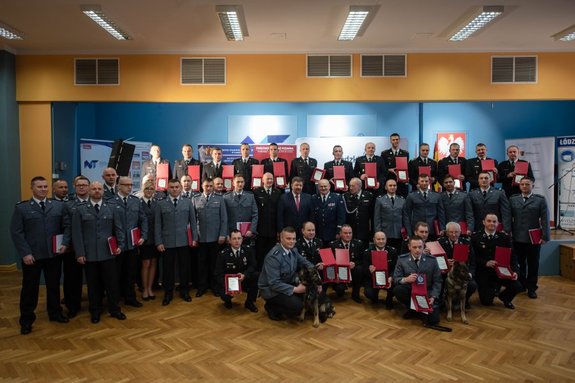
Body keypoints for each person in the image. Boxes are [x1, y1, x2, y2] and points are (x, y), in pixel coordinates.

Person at [11, 176, 69, 335]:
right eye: (39, 187)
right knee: (30, 288)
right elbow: (17, 233)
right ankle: (26, 320)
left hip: (53, 255)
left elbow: (66, 227)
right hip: (32, 256)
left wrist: (64, 243)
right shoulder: (22, 208)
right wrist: (25, 253)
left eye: (45, 186)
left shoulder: (57, 206)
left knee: (54, 286)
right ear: (32, 188)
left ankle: (55, 313)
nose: (43, 189)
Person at [72, 181, 126, 324]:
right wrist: (80, 253)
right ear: (89, 191)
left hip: (108, 253)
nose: (96, 191)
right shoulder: (80, 209)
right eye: (93, 189)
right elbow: (77, 234)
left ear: (103, 191)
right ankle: (95, 311)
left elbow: (118, 228)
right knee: (93, 285)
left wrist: (121, 244)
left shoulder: (112, 207)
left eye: (99, 189)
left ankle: (115, 309)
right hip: (90, 254)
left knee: (112, 283)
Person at [258, 227, 318, 321]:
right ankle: (271, 307)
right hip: (271, 290)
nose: (292, 242)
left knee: (307, 296)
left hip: (287, 283)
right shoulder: (274, 257)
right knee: (297, 307)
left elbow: (306, 263)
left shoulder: (293, 250)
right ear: (281, 239)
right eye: (288, 239)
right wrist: (295, 289)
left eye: (294, 239)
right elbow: (274, 283)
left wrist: (316, 276)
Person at [155, 179, 198, 305]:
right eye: (172, 187)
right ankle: (168, 293)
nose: (174, 189)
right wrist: (158, 242)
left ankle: (184, 291)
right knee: (168, 269)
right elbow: (158, 224)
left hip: (184, 241)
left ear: (180, 188)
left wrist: (194, 238)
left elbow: (193, 222)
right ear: (168, 188)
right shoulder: (161, 204)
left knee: (184, 268)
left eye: (176, 187)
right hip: (167, 242)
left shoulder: (187, 202)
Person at [393, 236, 449, 331]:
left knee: (433, 320)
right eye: (414, 247)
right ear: (409, 247)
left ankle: (418, 309)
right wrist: (405, 279)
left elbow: (438, 281)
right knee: (398, 290)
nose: (417, 250)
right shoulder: (402, 259)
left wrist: (433, 296)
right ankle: (413, 308)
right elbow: (396, 279)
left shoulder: (432, 260)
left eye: (420, 247)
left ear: (423, 246)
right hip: (411, 291)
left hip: (427, 292)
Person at [509, 177, 550, 299]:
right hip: (517, 237)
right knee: (519, 263)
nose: (525, 186)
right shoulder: (513, 199)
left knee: (533, 264)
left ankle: (532, 288)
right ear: (519, 186)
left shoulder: (540, 200)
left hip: (534, 238)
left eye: (527, 184)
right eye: (522, 184)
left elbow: (545, 219)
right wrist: (508, 232)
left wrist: (545, 236)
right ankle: (522, 285)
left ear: (533, 185)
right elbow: (508, 218)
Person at [471, 213, 522, 309]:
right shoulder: (475, 237)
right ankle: (492, 291)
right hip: (484, 272)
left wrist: (515, 272)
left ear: (498, 223)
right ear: (483, 222)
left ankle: (505, 298)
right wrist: (485, 263)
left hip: (502, 272)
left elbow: (513, 257)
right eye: (489, 221)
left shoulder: (505, 238)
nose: (492, 223)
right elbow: (472, 258)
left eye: (494, 221)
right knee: (486, 302)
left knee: (517, 286)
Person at [112, 176, 148, 308]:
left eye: (131, 184)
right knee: (116, 274)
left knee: (131, 272)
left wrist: (143, 236)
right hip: (117, 246)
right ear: (119, 186)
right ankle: (115, 299)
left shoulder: (135, 201)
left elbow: (143, 219)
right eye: (126, 184)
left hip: (132, 244)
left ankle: (130, 297)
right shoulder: (111, 202)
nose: (129, 187)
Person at [193, 178, 228, 297]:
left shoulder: (220, 199)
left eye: (210, 186)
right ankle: (201, 287)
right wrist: (194, 237)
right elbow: (193, 221)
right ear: (202, 186)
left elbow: (224, 219)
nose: (208, 188)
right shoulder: (196, 199)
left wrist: (223, 234)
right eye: (206, 186)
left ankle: (215, 287)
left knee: (215, 264)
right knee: (201, 264)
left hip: (215, 238)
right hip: (201, 237)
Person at [61, 176, 90, 318]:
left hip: (93, 247)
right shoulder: (68, 205)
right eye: (79, 185)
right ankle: (73, 305)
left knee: (95, 278)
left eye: (85, 185)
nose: (82, 187)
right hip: (73, 248)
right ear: (75, 187)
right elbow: (67, 227)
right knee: (73, 278)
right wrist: (65, 244)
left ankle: (95, 304)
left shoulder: (96, 202)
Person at [214, 230, 259, 312]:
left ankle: (249, 302)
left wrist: (245, 274)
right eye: (234, 238)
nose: (237, 241)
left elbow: (253, 265)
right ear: (230, 240)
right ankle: (227, 301)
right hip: (229, 283)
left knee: (256, 275)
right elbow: (218, 274)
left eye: (239, 238)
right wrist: (228, 287)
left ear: (242, 239)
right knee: (223, 294)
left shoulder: (248, 250)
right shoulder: (223, 254)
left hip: (243, 279)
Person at [437, 222, 478, 307]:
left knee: (472, 285)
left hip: (462, 274)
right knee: (440, 283)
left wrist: (470, 273)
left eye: (456, 232)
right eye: (451, 232)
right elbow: (435, 260)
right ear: (447, 232)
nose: (454, 234)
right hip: (445, 273)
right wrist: (445, 261)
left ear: (460, 232)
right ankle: (443, 301)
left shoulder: (466, 243)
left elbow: (473, 261)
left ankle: (464, 301)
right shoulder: (440, 243)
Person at [329, 225, 365, 303]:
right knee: (340, 291)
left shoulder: (358, 244)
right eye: (345, 233)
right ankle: (340, 289)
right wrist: (335, 275)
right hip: (339, 273)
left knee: (359, 269)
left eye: (350, 233)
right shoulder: (333, 245)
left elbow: (362, 260)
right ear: (340, 234)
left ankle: (355, 295)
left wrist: (354, 263)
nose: (348, 235)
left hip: (353, 271)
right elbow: (330, 263)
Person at [253, 172, 282, 269]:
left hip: (273, 230)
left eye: (271, 179)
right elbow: (255, 212)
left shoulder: (278, 192)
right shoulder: (256, 192)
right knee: (260, 254)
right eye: (267, 179)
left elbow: (279, 212)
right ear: (262, 180)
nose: (269, 181)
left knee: (272, 254)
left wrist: (279, 230)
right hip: (260, 230)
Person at [363, 231, 397, 309]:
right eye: (378, 239)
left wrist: (391, 277)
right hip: (372, 279)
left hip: (388, 279)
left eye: (383, 239)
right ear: (374, 240)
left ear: (386, 239)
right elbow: (364, 270)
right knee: (369, 293)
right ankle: (374, 296)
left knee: (396, 287)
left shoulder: (393, 251)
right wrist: (369, 271)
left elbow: (396, 268)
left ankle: (389, 298)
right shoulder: (367, 252)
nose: (381, 241)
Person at [405, 174, 445, 239]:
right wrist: (409, 231)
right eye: (422, 181)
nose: (424, 183)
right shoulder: (411, 196)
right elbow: (407, 214)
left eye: (426, 181)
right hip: (417, 230)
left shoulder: (437, 195)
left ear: (429, 182)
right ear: (418, 182)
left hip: (432, 229)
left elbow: (441, 213)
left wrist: (442, 228)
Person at [374, 179, 408, 251]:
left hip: (399, 233)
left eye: (394, 185)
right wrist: (378, 233)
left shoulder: (402, 200)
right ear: (386, 187)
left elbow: (405, 218)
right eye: (390, 185)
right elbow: (377, 218)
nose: (392, 187)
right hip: (385, 233)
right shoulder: (380, 200)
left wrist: (408, 233)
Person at [139, 180, 159, 301]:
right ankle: (144, 288)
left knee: (154, 263)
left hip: (155, 238)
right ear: (143, 190)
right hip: (144, 239)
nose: (149, 191)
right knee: (145, 263)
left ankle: (150, 288)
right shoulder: (139, 203)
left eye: (151, 189)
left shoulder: (157, 203)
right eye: (147, 189)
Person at [223, 174, 258, 241]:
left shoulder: (250, 196)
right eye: (238, 182)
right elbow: (224, 218)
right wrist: (226, 233)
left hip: (247, 233)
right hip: (231, 233)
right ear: (233, 183)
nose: (240, 184)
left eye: (242, 182)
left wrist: (251, 230)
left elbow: (255, 214)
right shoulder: (226, 197)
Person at [312, 179, 346, 246]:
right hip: (318, 234)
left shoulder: (337, 197)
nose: (323, 188)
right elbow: (312, 216)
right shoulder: (314, 198)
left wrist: (339, 231)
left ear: (329, 186)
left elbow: (341, 216)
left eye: (325, 186)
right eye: (321, 186)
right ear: (318, 187)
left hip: (333, 233)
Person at [343, 177, 374, 244]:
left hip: (364, 230)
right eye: (350, 186)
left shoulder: (368, 196)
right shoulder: (346, 196)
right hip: (350, 231)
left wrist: (372, 231)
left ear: (360, 186)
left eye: (353, 186)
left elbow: (372, 215)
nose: (350, 188)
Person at [381, 133, 409, 197]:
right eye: (393, 140)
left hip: (401, 182)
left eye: (397, 139)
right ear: (390, 141)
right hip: (389, 180)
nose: (395, 141)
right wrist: (388, 170)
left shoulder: (405, 153)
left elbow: (407, 168)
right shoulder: (384, 153)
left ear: (399, 140)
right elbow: (382, 168)